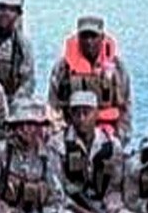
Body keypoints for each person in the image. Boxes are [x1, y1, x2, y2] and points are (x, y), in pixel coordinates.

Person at [47, 14, 133, 143]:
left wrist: (120, 138)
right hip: (70, 131)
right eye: (84, 36)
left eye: (93, 36)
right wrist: (59, 134)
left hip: (107, 132)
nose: (89, 41)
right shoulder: (62, 68)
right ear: (78, 37)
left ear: (102, 38)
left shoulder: (117, 68)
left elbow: (125, 107)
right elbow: (53, 105)